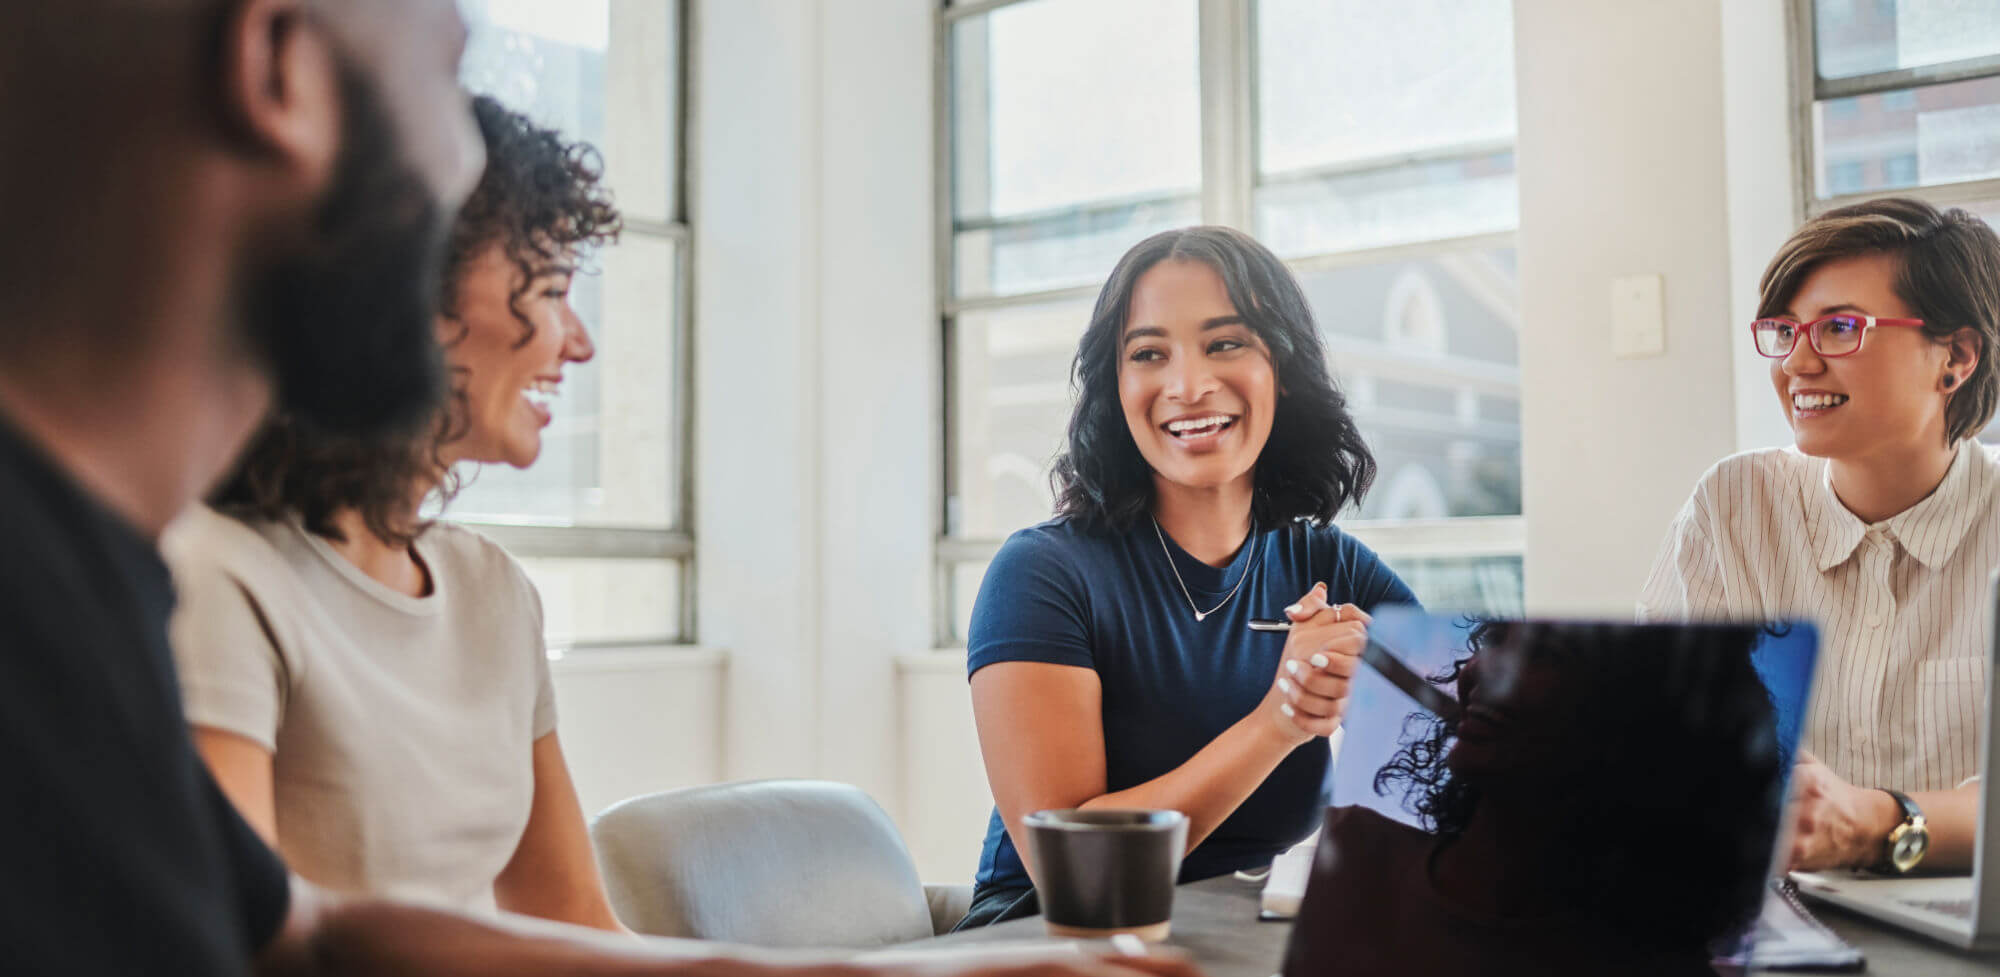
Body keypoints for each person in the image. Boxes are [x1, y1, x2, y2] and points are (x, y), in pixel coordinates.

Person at [0, 3, 1197, 976]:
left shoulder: (92, 580)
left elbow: (305, 932)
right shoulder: (141, 593)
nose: (463, 158)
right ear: (281, 69)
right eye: (447, 62)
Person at [166, 94, 622, 929]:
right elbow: (254, 946)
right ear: (423, 289)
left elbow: (576, 916)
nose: (579, 341)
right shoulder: (219, 576)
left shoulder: (494, 591)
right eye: (552, 286)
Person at [960, 226, 1418, 929]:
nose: (1189, 385)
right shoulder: (1042, 575)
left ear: (1282, 367)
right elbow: (1073, 867)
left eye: (1226, 342)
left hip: (1244, 938)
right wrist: (1283, 718)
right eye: (1149, 353)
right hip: (1056, 941)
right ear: (1116, 387)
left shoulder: (1330, 566)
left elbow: (1475, 744)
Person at [1639, 198, 2000, 874]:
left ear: (1956, 357)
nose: (1796, 364)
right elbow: (1656, 735)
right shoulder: (1734, 507)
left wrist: (1874, 822)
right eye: (1785, 330)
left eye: (1840, 327)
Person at [1284, 620, 1786, 977]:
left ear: (1641, 726)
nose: (1481, 671)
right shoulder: (1350, 852)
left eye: (1548, 653)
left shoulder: (1658, 963)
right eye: (1497, 639)